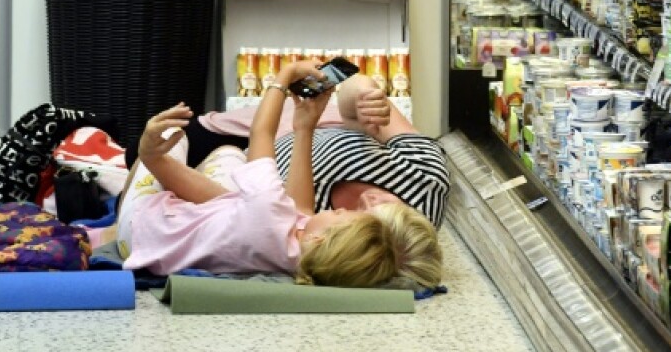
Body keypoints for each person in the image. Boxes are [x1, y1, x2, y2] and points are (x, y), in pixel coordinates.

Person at [116, 60, 443, 289]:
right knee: (226, 174)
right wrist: (348, 105)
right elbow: (298, 210)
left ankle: (141, 180)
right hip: (245, 192)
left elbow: (262, 133)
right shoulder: (307, 252)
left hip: (145, 227)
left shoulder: (291, 219)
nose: (365, 200)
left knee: (169, 143)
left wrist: (282, 78)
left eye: (358, 214)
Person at [126, 69, 451, 228]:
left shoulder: (318, 224)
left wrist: (280, 84)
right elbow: (355, 86)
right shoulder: (424, 181)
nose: (370, 197)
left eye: (366, 217)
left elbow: (243, 195)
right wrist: (368, 98)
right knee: (147, 147)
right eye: (390, 204)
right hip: (298, 124)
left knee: (149, 151)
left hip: (263, 153)